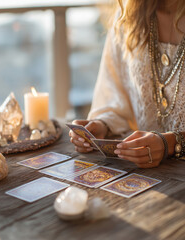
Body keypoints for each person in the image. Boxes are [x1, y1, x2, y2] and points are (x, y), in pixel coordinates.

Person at [69, 0, 185, 168]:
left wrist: (172, 143)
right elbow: (115, 94)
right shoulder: (128, 17)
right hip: (146, 176)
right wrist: (102, 125)